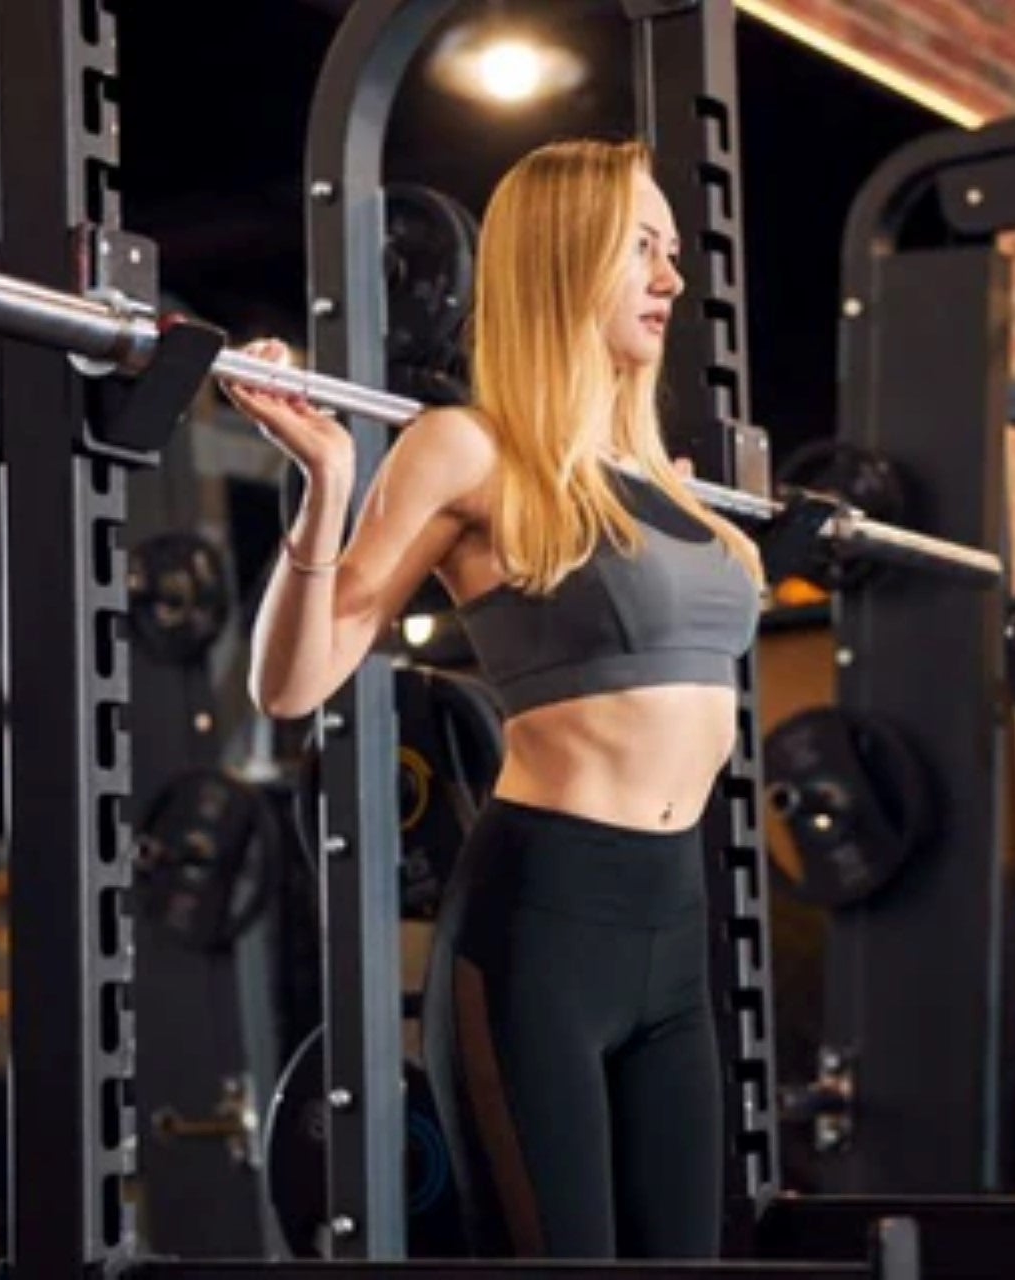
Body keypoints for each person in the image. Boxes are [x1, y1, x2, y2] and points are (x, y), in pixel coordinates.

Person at [221, 138, 763, 1260]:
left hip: (674, 929)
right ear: (565, 257)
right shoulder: (467, 449)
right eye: (643, 251)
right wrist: (327, 484)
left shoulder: (664, 481)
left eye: (673, 253)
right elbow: (291, 681)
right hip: (541, 926)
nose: (672, 279)